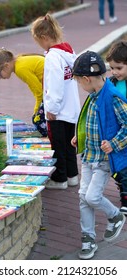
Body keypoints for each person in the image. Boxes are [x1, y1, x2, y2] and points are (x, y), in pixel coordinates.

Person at [71, 50, 126, 259]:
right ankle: (88, 238)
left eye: (78, 82)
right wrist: (80, 137)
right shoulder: (93, 97)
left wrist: (113, 143)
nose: (80, 86)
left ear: (86, 79)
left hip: (103, 160)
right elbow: (91, 123)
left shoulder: (112, 97)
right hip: (88, 157)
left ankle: (115, 216)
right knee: (83, 198)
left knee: (92, 196)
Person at [31, 13, 81, 189]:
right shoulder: (68, 51)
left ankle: (60, 179)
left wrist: (51, 108)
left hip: (57, 112)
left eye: (38, 41)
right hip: (71, 108)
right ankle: (72, 175)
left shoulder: (52, 57)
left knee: (57, 146)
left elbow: (54, 84)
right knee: (69, 144)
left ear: (44, 37)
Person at [0, 49, 47, 137]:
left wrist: (36, 112)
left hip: (57, 87)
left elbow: (39, 92)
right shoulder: (19, 61)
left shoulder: (20, 69)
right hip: (56, 85)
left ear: (6, 66)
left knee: (38, 120)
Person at [106, 40, 127, 214]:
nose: (114, 72)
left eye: (119, 68)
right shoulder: (112, 82)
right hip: (117, 132)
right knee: (118, 167)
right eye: (112, 68)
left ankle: (125, 198)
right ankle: (123, 191)